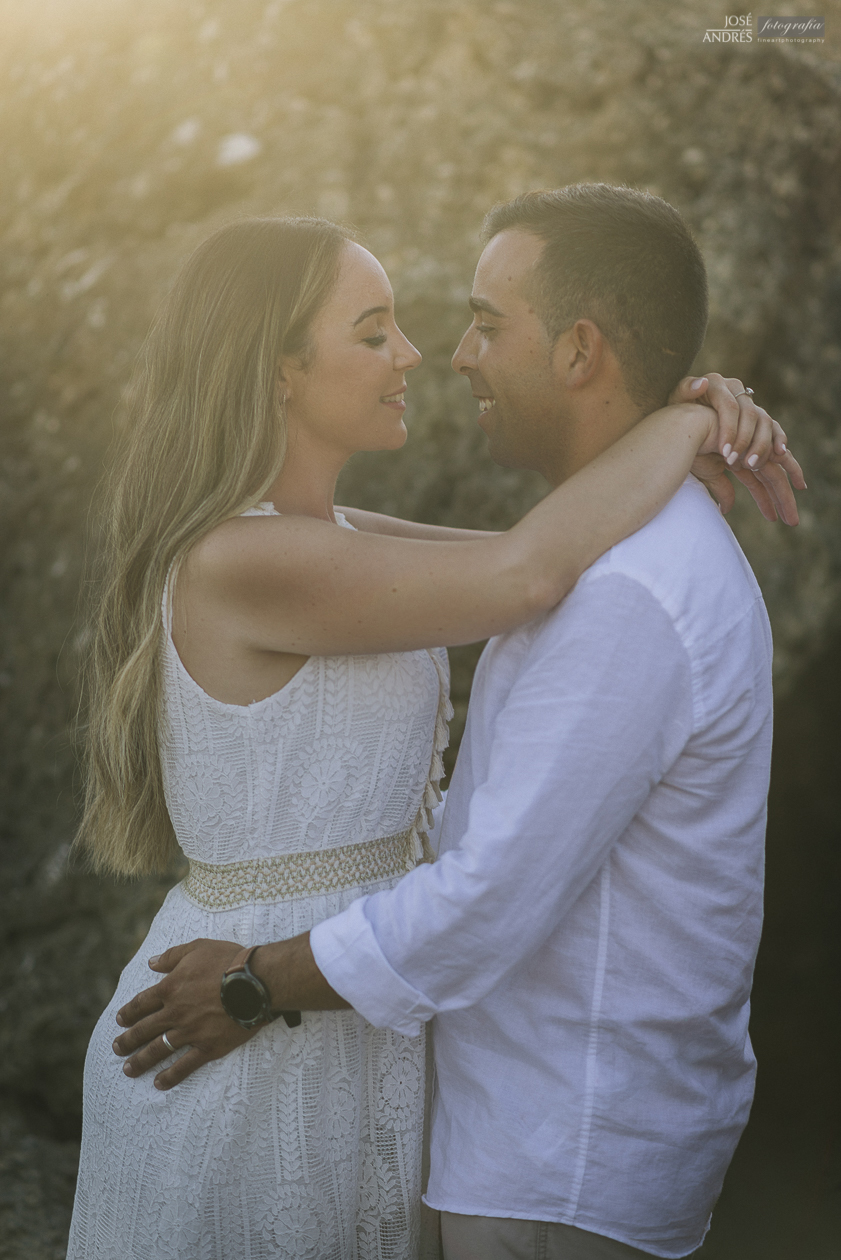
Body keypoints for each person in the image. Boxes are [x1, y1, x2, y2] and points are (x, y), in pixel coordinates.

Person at [82, 197, 800, 1260]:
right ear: (279, 372)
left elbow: (538, 554)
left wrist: (671, 424)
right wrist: (685, 424)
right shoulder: (242, 558)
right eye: (373, 331)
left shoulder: (341, 539)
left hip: (338, 1006)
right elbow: (527, 572)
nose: (420, 353)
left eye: (462, 324)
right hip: (245, 1012)